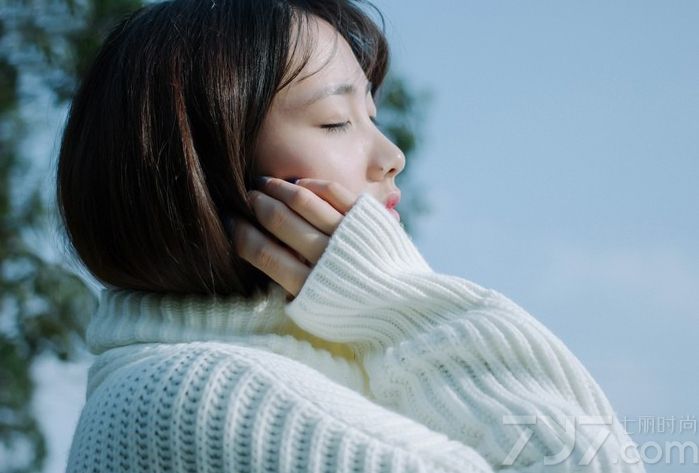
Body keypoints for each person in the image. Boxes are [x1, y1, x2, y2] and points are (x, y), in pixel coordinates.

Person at [57, 0, 647, 472]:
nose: (392, 157)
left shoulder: (295, 375)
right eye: (336, 121)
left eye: (373, 115)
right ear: (204, 167)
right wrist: (404, 302)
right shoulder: (199, 398)